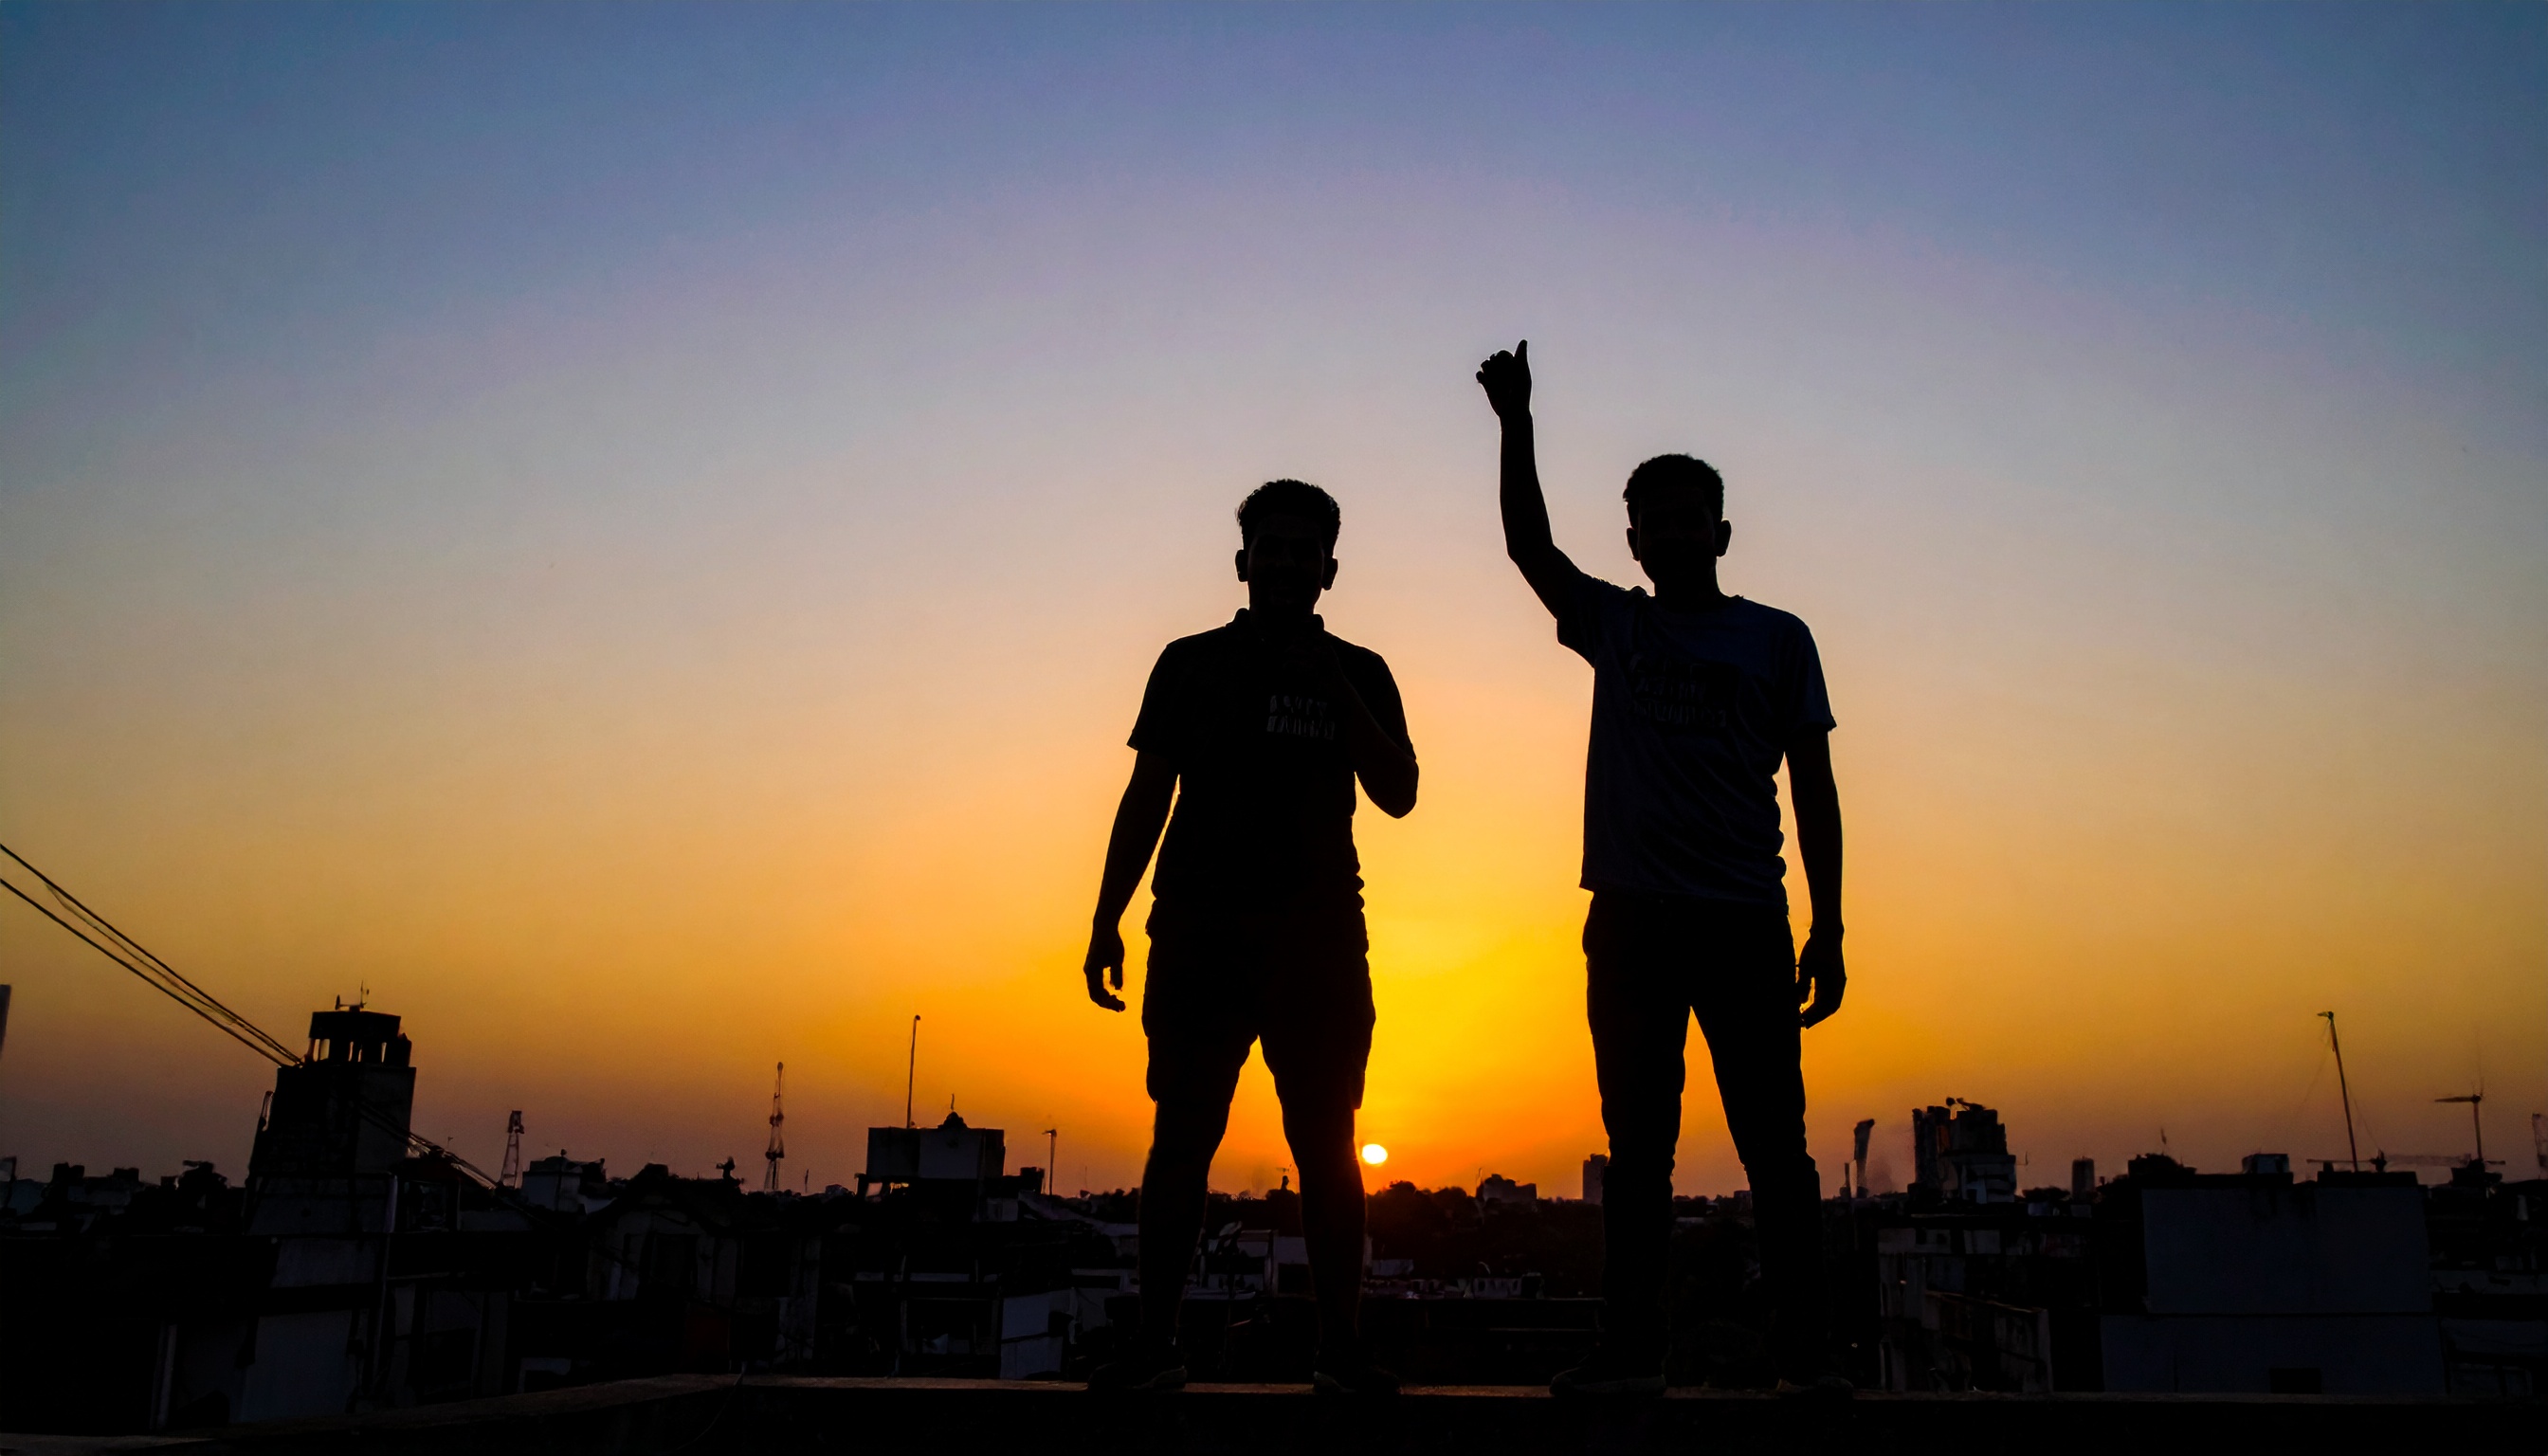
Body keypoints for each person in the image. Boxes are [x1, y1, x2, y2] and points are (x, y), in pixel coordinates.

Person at [1475, 341, 1852, 1398]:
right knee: (1637, 1153)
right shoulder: (1615, 622)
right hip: (1634, 924)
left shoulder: (1778, 641)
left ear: (1721, 533)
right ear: (1633, 538)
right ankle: (1629, 1352)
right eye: (1655, 521)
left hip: (1743, 919)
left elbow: (1814, 790)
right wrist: (1517, 420)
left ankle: (1806, 1357)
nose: (1675, 535)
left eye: (1693, 519)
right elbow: (1528, 547)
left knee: (1777, 1154)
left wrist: (1829, 926)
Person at [1081, 479, 1418, 1396]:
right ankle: (1155, 1348)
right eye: (1269, 548)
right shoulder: (1189, 663)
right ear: (1242, 562)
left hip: (1317, 941)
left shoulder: (1363, 669)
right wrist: (1106, 915)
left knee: (1326, 1143)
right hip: (1198, 931)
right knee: (1181, 1136)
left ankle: (1341, 1351)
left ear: (1329, 570)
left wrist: (1335, 688)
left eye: (1304, 551)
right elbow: (1148, 795)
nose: (1284, 564)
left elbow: (1400, 792)